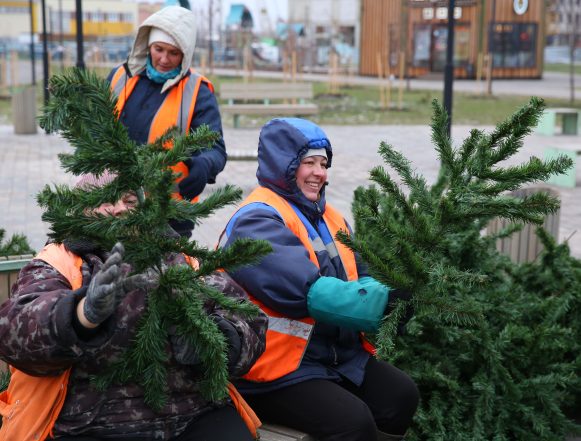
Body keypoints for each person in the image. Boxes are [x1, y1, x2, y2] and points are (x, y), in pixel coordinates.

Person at [0, 172, 267, 441]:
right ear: (83, 208)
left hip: (192, 412)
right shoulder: (60, 261)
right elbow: (14, 332)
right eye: (105, 200)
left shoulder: (182, 258)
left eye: (129, 201)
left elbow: (248, 320)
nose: (118, 209)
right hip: (91, 422)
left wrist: (214, 340)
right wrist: (82, 315)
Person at [217, 118, 419, 441]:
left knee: (400, 397)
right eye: (308, 162)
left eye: (323, 163)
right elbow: (308, 291)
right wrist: (379, 302)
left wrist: (397, 297)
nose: (319, 173)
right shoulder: (255, 220)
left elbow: (361, 278)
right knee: (353, 423)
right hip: (273, 367)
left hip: (332, 356)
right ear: (283, 164)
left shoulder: (331, 218)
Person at [107, 5, 226, 238]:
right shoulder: (119, 78)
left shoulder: (197, 92)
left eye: (174, 53)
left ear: (186, 54)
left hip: (169, 213)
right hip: (112, 204)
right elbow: (94, 128)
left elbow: (215, 147)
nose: (164, 59)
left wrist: (204, 164)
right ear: (147, 45)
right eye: (158, 49)